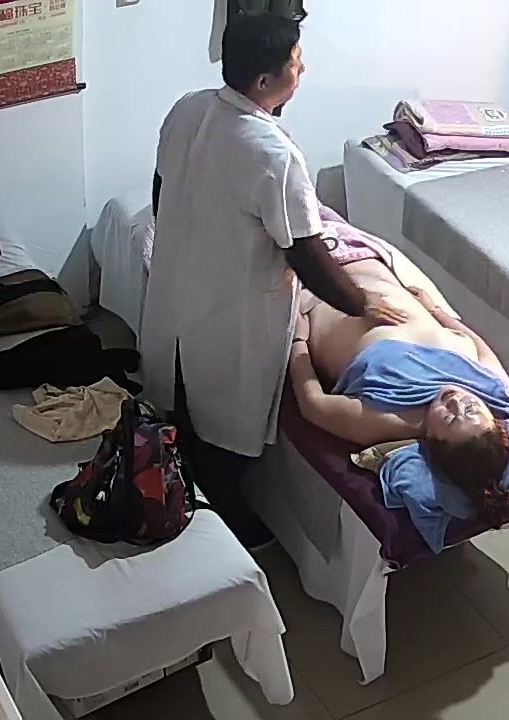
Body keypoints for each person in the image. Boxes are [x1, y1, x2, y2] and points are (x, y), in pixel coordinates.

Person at [142, 11, 405, 550]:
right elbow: (304, 251)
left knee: (183, 388)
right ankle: (218, 507)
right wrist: (361, 304)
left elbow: (161, 187)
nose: (302, 70)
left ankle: (186, 471)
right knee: (226, 418)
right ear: (265, 81)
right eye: (295, 63)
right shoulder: (272, 153)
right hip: (233, 307)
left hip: (178, 283)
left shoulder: (190, 107)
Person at [287, 257, 509, 529]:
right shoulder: (493, 387)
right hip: (368, 261)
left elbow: (313, 403)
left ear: (431, 438)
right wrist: (436, 310)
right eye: (471, 409)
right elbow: (477, 343)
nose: (456, 402)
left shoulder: (386, 418)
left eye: (450, 418)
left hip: (313, 283)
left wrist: (298, 339)